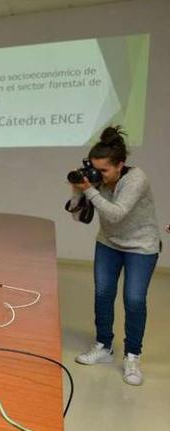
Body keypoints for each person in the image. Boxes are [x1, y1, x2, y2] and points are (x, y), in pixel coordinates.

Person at [67, 126, 160, 386]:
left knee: (134, 299)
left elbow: (116, 213)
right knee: (103, 294)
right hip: (108, 243)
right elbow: (77, 216)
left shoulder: (136, 179)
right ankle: (103, 347)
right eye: (95, 168)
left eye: (104, 170)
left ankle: (132, 356)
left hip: (141, 246)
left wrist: (89, 190)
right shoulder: (96, 182)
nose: (99, 174)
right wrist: (78, 189)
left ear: (121, 164)